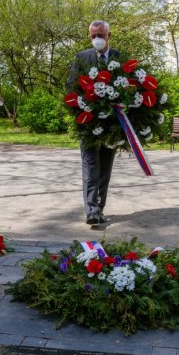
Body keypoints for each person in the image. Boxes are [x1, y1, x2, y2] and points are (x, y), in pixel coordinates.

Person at [66, 20, 120, 225]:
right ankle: (92, 211)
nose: (97, 39)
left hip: (111, 126)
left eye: (100, 35)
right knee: (90, 166)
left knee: (105, 167)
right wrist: (85, 102)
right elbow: (70, 86)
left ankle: (99, 207)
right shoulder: (81, 58)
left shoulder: (118, 58)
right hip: (88, 124)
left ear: (109, 36)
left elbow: (130, 89)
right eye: (93, 36)